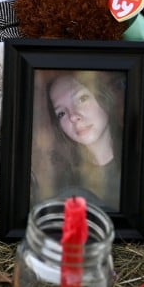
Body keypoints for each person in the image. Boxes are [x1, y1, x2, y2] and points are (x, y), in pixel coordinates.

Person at [42, 70, 124, 211]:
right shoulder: (64, 184)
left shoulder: (140, 160)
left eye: (82, 98)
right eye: (61, 113)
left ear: (103, 96)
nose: (73, 116)